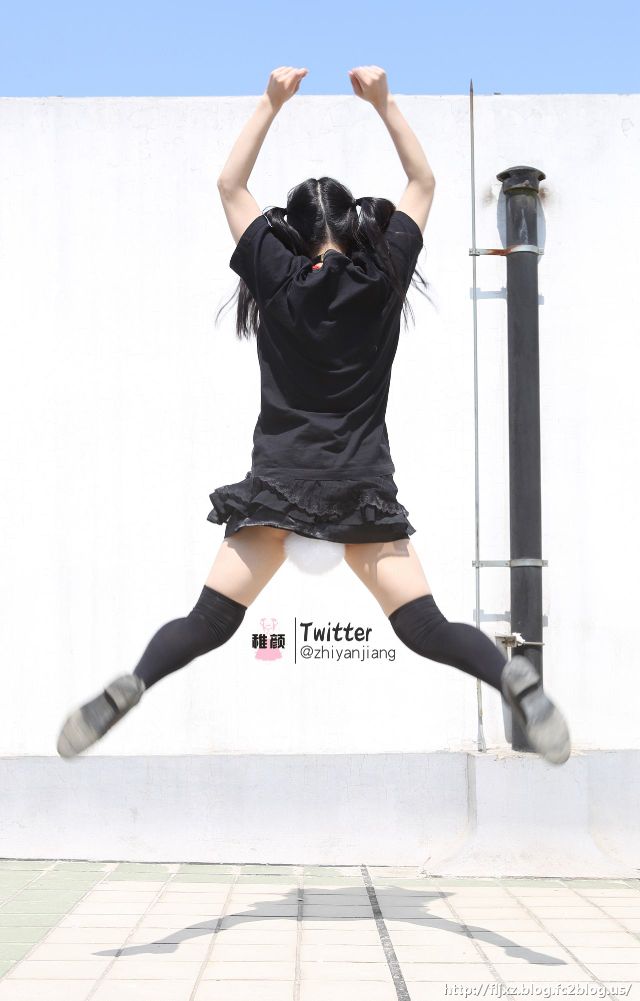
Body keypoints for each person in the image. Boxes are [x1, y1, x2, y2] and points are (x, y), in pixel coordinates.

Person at [57, 66, 570, 765]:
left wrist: (272, 102)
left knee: (208, 620)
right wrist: (383, 103)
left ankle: (136, 682)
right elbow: (423, 183)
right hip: (360, 487)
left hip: (280, 486)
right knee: (425, 625)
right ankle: (509, 677)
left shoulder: (276, 277)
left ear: (294, 237)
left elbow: (230, 185)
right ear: (354, 229)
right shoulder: (383, 277)